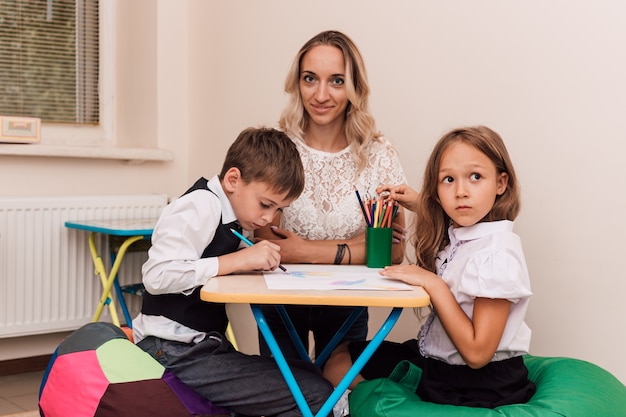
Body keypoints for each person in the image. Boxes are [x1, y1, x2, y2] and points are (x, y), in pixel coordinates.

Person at [323, 126, 537, 408]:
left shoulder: (494, 255)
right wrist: (418, 201)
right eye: (448, 179)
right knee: (340, 356)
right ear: (436, 191)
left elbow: (477, 353)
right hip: (443, 364)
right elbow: (447, 217)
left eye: (475, 177)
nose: (461, 192)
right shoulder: (469, 234)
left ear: (501, 183)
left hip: (477, 384)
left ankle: (378, 406)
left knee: (339, 368)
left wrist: (433, 283)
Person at [132, 127, 334, 417]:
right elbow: (157, 276)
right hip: (170, 349)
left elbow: (208, 257)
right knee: (315, 393)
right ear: (233, 180)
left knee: (308, 372)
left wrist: (246, 258)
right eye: (265, 204)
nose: (268, 218)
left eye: (279, 209)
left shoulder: (232, 215)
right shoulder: (200, 205)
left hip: (200, 345)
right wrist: (239, 261)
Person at [254, 30, 408, 363]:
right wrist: (355, 246)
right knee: (286, 398)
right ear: (297, 83)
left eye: (337, 81)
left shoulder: (379, 155)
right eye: (310, 79)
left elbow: (393, 250)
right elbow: (268, 242)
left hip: (349, 304)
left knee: (335, 399)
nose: (321, 94)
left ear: (355, 87)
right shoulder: (276, 146)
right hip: (281, 301)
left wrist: (305, 250)